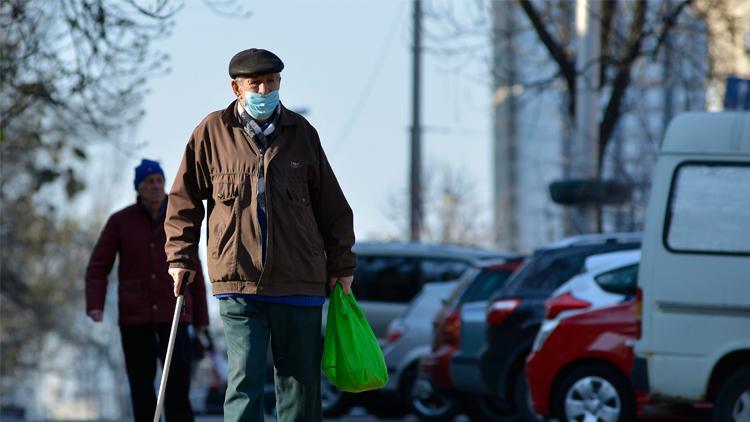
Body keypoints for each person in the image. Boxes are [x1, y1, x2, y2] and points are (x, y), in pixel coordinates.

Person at [164, 48, 357, 422]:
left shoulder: (302, 134)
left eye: (272, 81)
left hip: (299, 281)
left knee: (299, 389)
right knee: (244, 382)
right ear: (237, 87)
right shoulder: (211, 133)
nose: (265, 89)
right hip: (239, 282)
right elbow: (183, 201)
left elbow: (333, 208)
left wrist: (342, 265)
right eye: (256, 83)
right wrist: (179, 258)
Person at [85, 159, 209, 422]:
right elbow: (98, 266)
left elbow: (194, 271)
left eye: (159, 181)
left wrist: (201, 321)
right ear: (138, 188)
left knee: (177, 387)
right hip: (135, 318)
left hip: (174, 314)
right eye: (149, 182)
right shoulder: (120, 221)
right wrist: (95, 304)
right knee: (141, 387)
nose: (155, 186)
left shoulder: (178, 219)